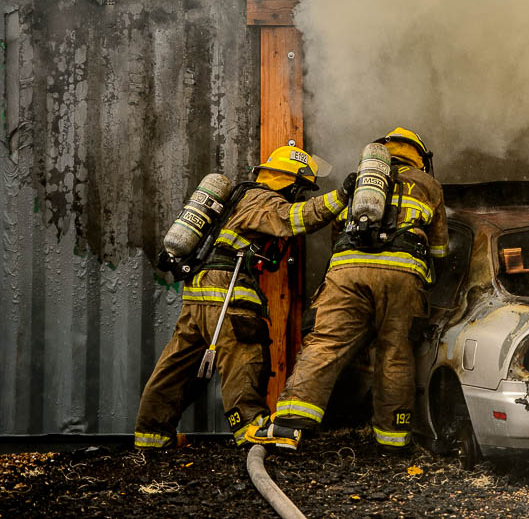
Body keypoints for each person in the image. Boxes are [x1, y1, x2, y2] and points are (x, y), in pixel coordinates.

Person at [134, 143, 351, 449]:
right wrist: (341, 196)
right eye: (300, 188)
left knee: (178, 364)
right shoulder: (264, 200)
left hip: (198, 292)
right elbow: (296, 218)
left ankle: (150, 434)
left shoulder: (239, 196)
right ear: (291, 181)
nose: (298, 195)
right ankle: (251, 426)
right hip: (228, 291)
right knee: (244, 355)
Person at [246, 127, 448, 452]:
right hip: (402, 274)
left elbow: (337, 235)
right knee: (395, 352)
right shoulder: (428, 185)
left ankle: (288, 424)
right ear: (419, 156)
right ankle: (392, 440)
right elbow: (440, 250)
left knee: (325, 343)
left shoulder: (360, 182)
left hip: (347, 271)